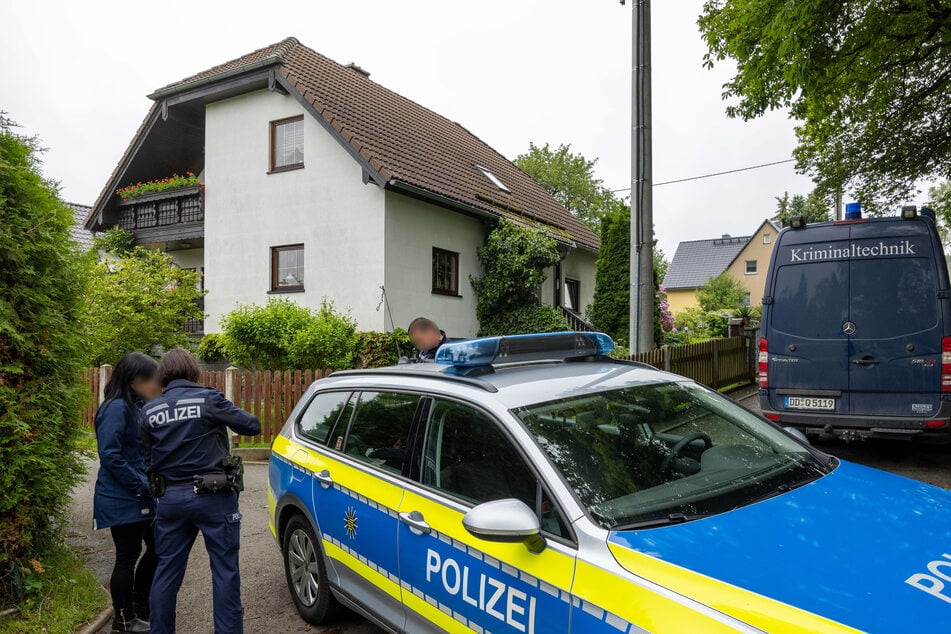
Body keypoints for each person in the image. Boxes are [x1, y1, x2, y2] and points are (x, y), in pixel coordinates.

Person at [141, 348, 261, 634]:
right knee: (224, 571)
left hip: (170, 499)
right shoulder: (208, 399)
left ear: (163, 375)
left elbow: (145, 457)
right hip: (214, 497)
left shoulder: (149, 410)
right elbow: (252, 426)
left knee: (167, 571)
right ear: (193, 371)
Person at [93, 351, 163, 633]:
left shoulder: (133, 406)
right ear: (135, 380)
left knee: (158, 546)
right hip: (122, 496)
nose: (156, 387)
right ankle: (123, 619)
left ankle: (140, 606)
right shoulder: (116, 408)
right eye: (152, 382)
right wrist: (141, 485)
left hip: (138, 495)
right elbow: (110, 455)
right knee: (127, 554)